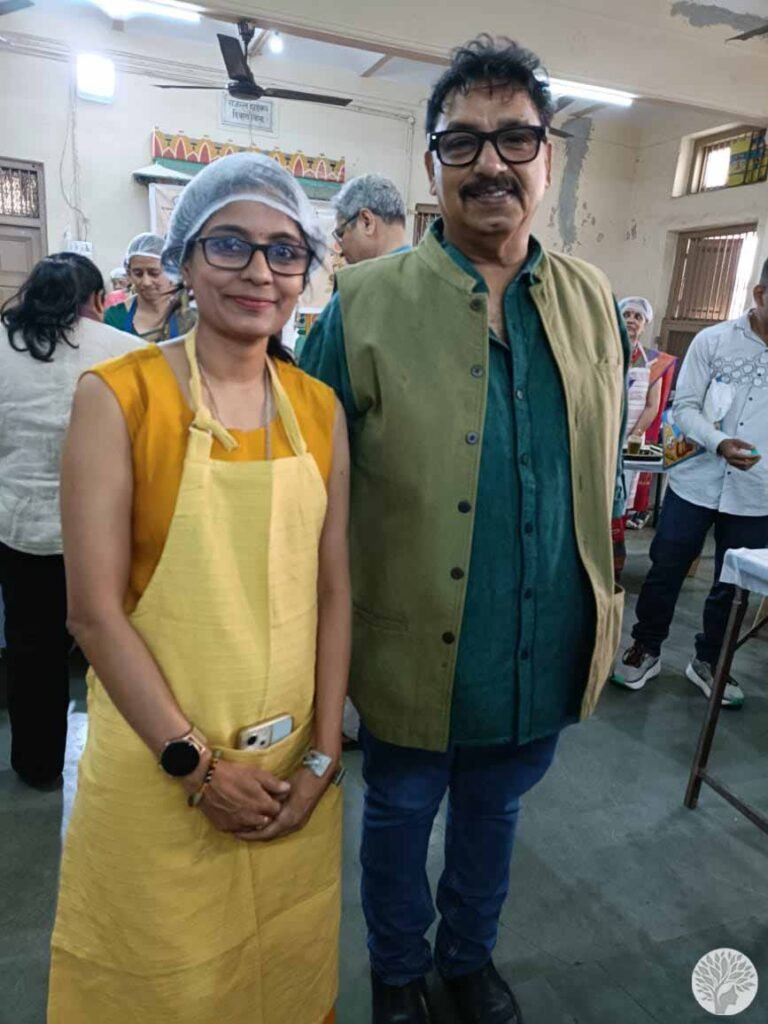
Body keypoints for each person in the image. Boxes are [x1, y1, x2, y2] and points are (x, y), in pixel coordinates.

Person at [301, 36, 627, 1024]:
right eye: (464, 142)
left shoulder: (588, 300)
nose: (492, 162)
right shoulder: (361, 306)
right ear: (434, 163)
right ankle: (399, 975)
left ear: (551, 158)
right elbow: (305, 493)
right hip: (408, 641)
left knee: (497, 815)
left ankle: (466, 959)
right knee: (399, 817)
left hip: (536, 643)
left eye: (516, 138)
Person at [48, 153, 351, 1024]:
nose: (260, 271)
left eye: (285, 252)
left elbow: (335, 588)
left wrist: (324, 757)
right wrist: (196, 764)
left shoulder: (320, 410)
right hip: (161, 774)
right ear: (183, 260)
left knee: (281, 978)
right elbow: (93, 614)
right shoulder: (120, 397)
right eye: (230, 245)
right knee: (162, 984)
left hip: (291, 780)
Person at [0, 253, 142, 789]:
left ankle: (38, 766)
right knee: (116, 645)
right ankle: (126, 763)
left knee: (30, 651)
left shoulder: (2, 345)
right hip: (105, 534)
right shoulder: (127, 352)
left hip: (21, 530)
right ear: (98, 300)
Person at [613, 259, 768, 708]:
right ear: (759, 296)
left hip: (756, 492)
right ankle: (647, 647)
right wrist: (719, 443)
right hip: (696, 481)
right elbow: (682, 409)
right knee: (666, 565)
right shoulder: (714, 342)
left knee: (733, 582)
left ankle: (710, 661)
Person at [611, 297, 677, 578]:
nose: (631, 320)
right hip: (603, 438)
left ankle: (614, 559)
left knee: (620, 500)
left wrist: (634, 435)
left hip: (631, 440)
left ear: (645, 323)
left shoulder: (655, 362)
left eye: (638, 316)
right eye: (626, 313)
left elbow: (653, 405)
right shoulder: (606, 351)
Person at [104, 232, 194, 341]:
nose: (146, 282)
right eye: (138, 273)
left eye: (154, 273)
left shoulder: (190, 315)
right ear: (129, 274)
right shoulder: (115, 318)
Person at [331, 173, 409, 265]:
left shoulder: (369, 278)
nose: (340, 251)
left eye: (340, 233)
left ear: (367, 222)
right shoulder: (424, 272)